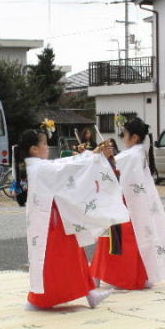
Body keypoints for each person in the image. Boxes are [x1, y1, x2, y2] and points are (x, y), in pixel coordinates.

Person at [17, 127, 128, 309]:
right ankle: (38, 299)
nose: (47, 146)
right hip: (50, 224)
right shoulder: (39, 167)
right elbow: (66, 167)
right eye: (44, 143)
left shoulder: (38, 166)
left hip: (55, 220)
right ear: (33, 149)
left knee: (74, 255)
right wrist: (93, 155)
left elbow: (63, 164)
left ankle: (90, 292)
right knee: (57, 260)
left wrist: (92, 155)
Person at [91, 117, 165, 290]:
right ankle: (135, 275)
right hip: (134, 205)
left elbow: (110, 171)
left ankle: (109, 276)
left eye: (125, 134)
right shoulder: (138, 153)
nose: (123, 138)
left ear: (134, 137)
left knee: (114, 241)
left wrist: (102, 158)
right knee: (132, 241)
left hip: (125, 205)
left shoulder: (131, 155)